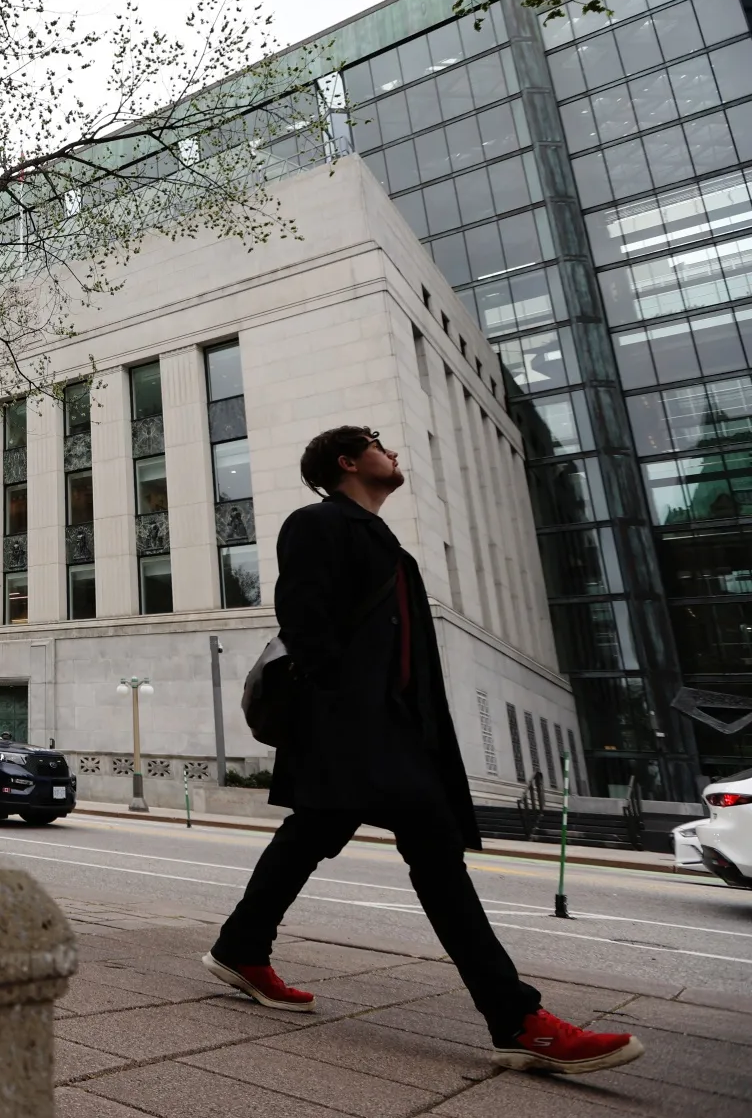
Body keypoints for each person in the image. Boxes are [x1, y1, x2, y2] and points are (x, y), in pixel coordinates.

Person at [203, 425, 643, 1075]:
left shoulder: (391, 551)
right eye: (378, 444)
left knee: (322, 835)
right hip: (358, 733)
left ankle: (242, 945)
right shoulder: (317, 524)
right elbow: (303, 620)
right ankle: (517, 1019)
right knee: (425, 861)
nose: (394, 451)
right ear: (349, 462)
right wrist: (347, 717)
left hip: (392, 737)